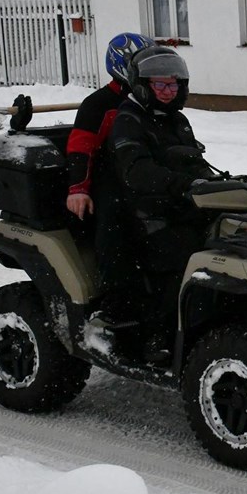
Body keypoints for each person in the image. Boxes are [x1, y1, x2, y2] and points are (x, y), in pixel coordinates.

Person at [95, 45, 215, 362]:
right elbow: (136, 172)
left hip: (178, 207)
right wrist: (181, 184)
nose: (166, 91)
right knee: (184, 258)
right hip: (142, 212)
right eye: (159, 84)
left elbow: (193, 162)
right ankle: (157, 337)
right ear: (143, 85)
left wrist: (219, 183)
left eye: (172, 84)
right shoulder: (129, 120)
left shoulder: (177, 121)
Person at [65, 32, 154, 220]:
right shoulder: (99, 104)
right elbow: (81, 147)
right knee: (115, 217)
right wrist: (78, 188)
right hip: (110, 177)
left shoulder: (150, 100)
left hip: (145, 174)